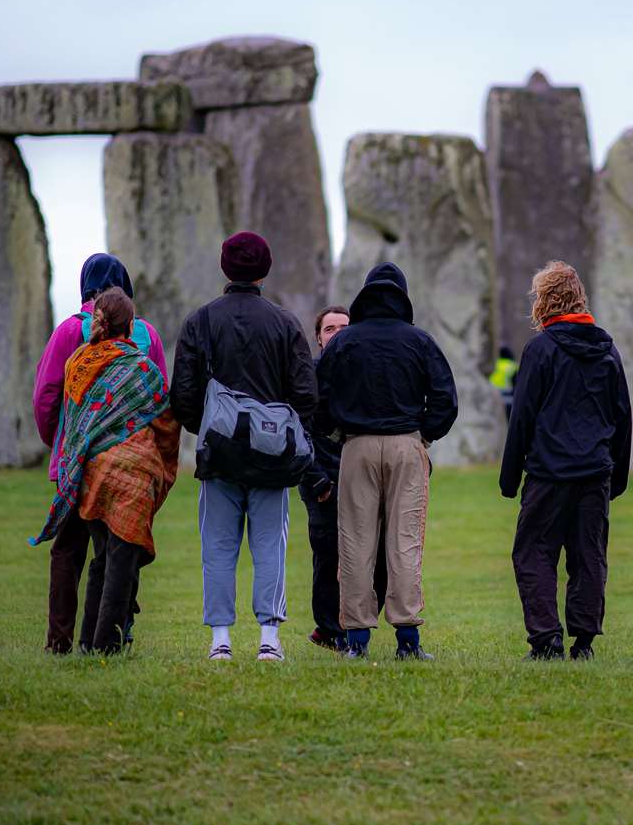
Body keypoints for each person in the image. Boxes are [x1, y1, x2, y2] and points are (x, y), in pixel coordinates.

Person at [170, 232, 315, 662]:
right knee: (271, 543)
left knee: (217, 546)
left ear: (224, 267)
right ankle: (269, 638)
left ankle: (221, 641)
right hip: (272, 452)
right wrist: (284, 427)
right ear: (264, 269)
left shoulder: (200, 321)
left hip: (219, 452)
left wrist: (210, 427)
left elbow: (182, 393)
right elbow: (306, 393)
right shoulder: (284, 322)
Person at [316, 262, 458, 660]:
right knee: (405, 543)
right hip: (405, 444)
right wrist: (424, 434)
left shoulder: (345, 342)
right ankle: (408, 642)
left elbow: (317, 397)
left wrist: (335, 434)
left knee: (355, 543)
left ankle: (357, 642)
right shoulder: (420, 341)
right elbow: (446, 399)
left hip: (357, 446)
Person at [30, 288, 178, 655]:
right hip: (131, 474)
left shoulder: (78, 363)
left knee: (101, 557)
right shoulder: (141, 367)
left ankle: (86, 642)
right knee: (120, 559)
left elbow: (74, 419)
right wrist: (162, 463)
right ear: (130, 325)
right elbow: (166, 420)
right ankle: (107, 644)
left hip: (88, 473)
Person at [499, 261, 630, 660]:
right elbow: (622, 416)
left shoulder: (540, 350)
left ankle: (546, 638)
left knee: (533, 552)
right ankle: (584, 640)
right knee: (588, 554)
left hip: (548, 473)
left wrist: (509, 476)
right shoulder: (607, 349)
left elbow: (522, 415)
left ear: (545, 301)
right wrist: (617, 475)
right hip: (595, 472)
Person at [300, 304, 388, 651]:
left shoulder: (365, 372)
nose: (337, 334)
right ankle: (329, 629)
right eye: (329, 329)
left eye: (343, 327)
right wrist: (317, 479)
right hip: (323, 475)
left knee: (377, 552)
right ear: (319, 339)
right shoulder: (308, 377)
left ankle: (358, 617)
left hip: (363, 474)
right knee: (328, 554)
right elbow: (300, 431)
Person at [490, 345, 519, 417]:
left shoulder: (495, 365)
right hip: (509, 400)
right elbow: (517, 385)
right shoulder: (513, 366)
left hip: (494, 399)